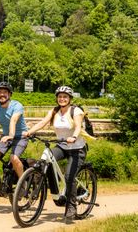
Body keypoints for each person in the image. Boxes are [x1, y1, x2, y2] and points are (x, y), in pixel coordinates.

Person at [23, 85, 93, 223]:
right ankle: (53, 193)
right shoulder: (55, 111)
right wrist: (29, 132)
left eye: (65, 97)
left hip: (77, 148)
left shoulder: (76, 111)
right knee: (44, 161)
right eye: (60, 96)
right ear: (57, 98)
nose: (62, 99)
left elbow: (78, 126)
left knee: (69, 177)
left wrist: (73, 136)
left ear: (70, 99)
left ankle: (71, 206)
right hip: (62, 146)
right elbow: (43, 122)